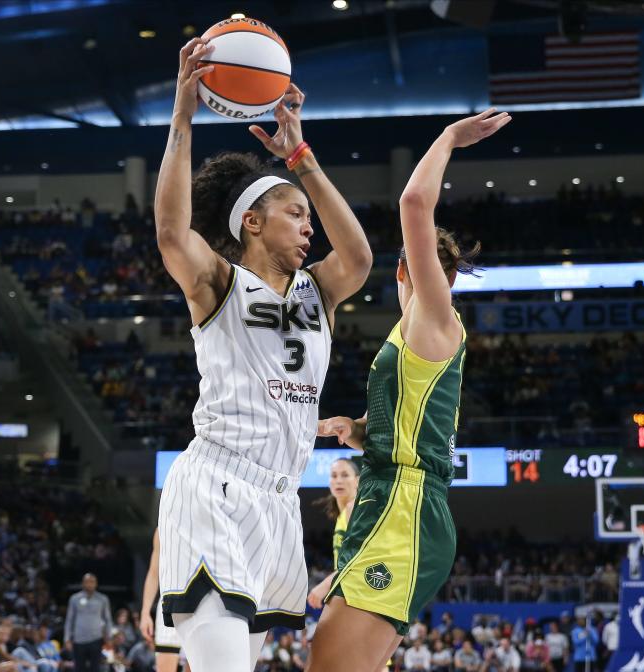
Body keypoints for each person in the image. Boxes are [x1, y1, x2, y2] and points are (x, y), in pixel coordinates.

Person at [154, 33, 372, 672]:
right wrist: (182, 114)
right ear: (252, 222)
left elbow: (358, 257)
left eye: (310, 218)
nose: (310, 227)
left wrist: (300, 154)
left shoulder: (317, 292)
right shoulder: (219, 284)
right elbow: (172, 231)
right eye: (296, 214)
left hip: (277, 503)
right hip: (217, 486)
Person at [309, 108, 511, 672]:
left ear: (407, 271)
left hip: (406, 507)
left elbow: (413, 204)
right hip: (391, 498)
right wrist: (354, 431)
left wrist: (449, 138)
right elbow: (402, 429)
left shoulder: (435, 319)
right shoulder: (411, 335)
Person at [307, 457, 361, 609]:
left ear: (357, 480)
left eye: (345, 475)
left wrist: (325, 585)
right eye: (334, 475)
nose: (338, 480)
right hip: (348, 587)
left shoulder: (354, 508)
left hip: (358, 590)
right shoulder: (342, 515)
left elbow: (360, 558)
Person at [139, 527, 185, 672]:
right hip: (170, 602)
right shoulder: (164, 528)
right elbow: (153, 573)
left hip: (203, 604)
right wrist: (145, 613)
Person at [65, 573, 112, 672]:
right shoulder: (74, 599)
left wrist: (109, 637)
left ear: (96, 584)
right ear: (82, 583)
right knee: (79, 668)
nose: (89, 584)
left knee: (95, 668)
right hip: (79, 639)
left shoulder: (103, 599)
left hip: (96, 639)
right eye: (87, 582)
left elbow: (107, 619)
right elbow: (69, 620)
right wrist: (67, 638)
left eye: (92, 582)